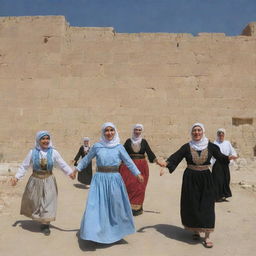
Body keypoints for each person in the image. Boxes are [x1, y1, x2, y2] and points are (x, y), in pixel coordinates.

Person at [160, 123, 236, 248]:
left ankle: (207, 236)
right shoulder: (187, 146)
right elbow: (176, 157)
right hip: (190, 178)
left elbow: (220, 157)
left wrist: (229, 158)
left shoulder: (211, 146)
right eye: (194, 130)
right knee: (192, 204)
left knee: (207, 205)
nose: (197, 132)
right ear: (191, 132)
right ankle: (195, 230)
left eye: (199, 130)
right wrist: (166, 164)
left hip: (206, 178)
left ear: (203, 131)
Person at [73, 122, 144, 244]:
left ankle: (116, 233)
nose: (109, 133)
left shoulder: (119, 147)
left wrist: (137, 173)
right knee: (96, 206)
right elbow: (86, 159)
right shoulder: (97, 146)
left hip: (114, 180)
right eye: (106, 130)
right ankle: (94, 234)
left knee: (115, 206)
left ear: (115, 131)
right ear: (103, 132)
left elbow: (128, 161)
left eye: (111, 130)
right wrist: (76, 169)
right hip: (99, 180)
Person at [10, 131, 75, 235]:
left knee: (48, 202)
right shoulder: (32, 152)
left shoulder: (54, 152)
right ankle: (39, 218)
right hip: (35, 180)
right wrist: (16, 177)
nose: (45, 141)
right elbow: (24, 166)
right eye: (43, 139)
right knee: (35, 201)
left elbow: (61, 163)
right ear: (38, 140)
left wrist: (70, 172)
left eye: (47, 138)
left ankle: (45, 224)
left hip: (49, 180)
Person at [119, 124, 162, 216]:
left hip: (142, 166)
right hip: (129, 167)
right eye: (136, 130)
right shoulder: (128, 141)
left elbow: (150, 153)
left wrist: (158, 162)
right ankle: (127, 207)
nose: (137, 132)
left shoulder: (144, 142)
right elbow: (121, 153)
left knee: (140, 187)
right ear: (133, 130)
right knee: (129, 186)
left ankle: (137, 208)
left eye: (139, 130)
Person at [211, 128, 238, 202]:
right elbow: (212, 155)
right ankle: (217, 197)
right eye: (219, 135)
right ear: (218, 135)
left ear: (224, 135)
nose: (221, 136)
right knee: (217, 180)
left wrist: (232, 160)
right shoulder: (215, 143)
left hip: (225, 164)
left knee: (226, 179)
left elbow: (233, 152)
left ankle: (224, 196)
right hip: (217, 164)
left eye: (222, 135)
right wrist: (212, 163)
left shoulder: (227, 143)